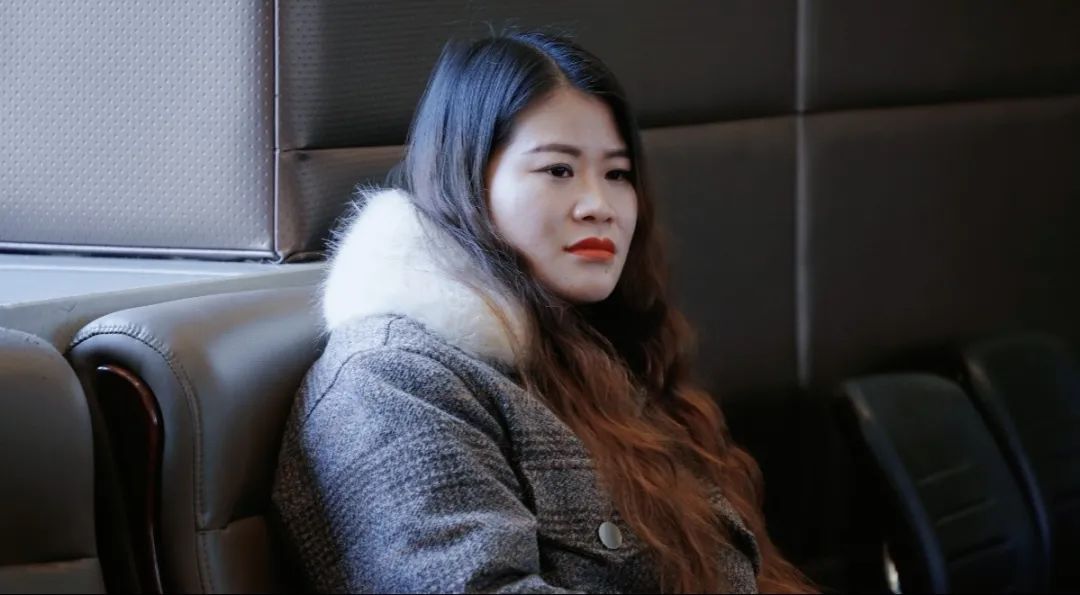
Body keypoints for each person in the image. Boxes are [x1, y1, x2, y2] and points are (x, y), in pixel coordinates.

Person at [272, 30, 816, 594]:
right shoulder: (391, 381)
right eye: (558, 170)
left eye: (617, 174)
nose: (599, 206)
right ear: (469, 179)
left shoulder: (592, 347)